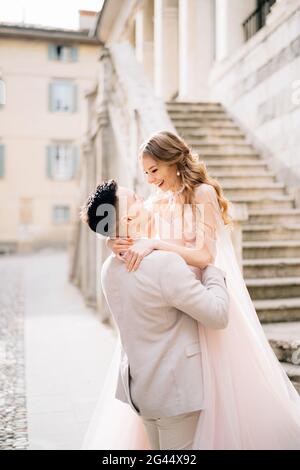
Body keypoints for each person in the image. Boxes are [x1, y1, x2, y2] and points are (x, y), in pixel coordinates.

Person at [104, 131, 300, 450]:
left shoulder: (202, 194)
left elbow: (206, 255)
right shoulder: (156, 201)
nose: (150, 180)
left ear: (172, 160)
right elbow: (133, 227)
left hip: (204, 299)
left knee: (222, 398)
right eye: (145, 174)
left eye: (155, 171)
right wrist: (114, 240)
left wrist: (156, 243)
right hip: (173, 305)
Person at [80, 180, 229, 450]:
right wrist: (211, 270)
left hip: (141, 391)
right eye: (136, 198)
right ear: (127, 217)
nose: (144, 199)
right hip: (177, 393)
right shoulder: (165, 264)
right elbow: (218, 315)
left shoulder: (108, 269)